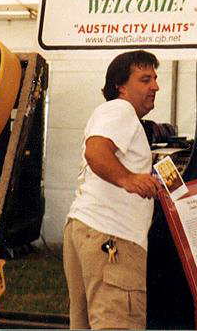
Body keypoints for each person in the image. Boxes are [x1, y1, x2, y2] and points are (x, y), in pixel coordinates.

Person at [63, 50, 160, 329]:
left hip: (89, 230)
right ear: (121, 86)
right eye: (145, 79)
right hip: (113, 237)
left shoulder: (113, 113)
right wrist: (129, 179)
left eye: (154, 78)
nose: (155, 86)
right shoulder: (120, 110)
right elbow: (96, 151)